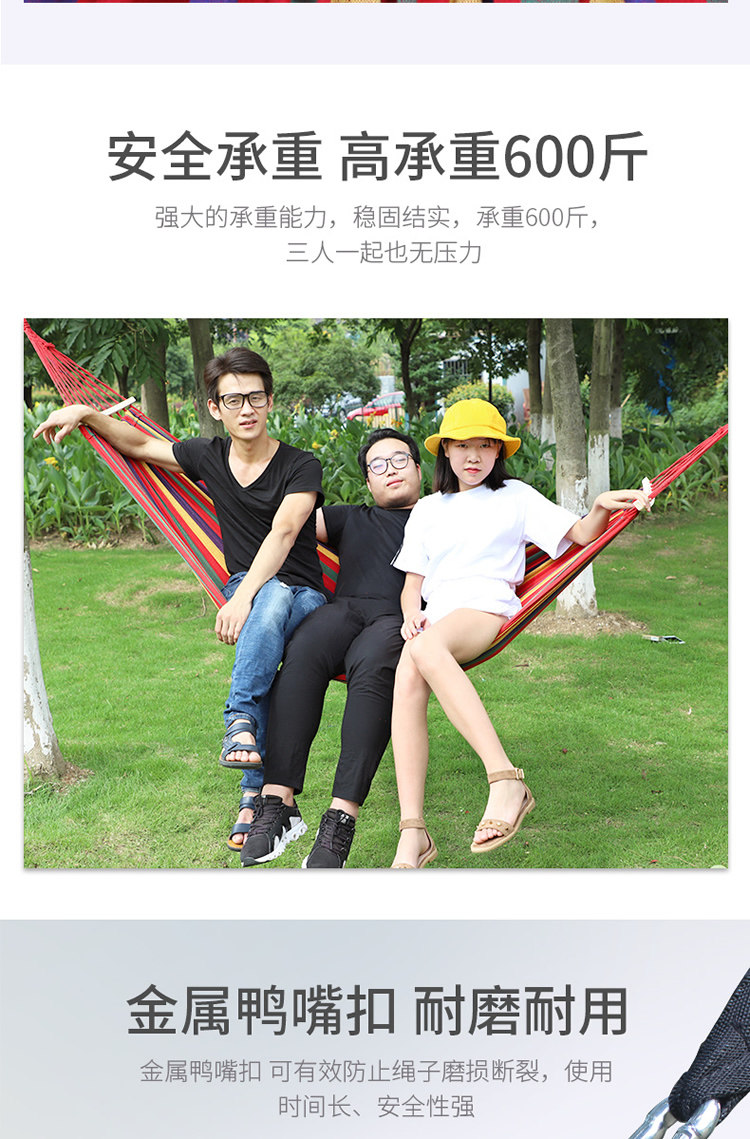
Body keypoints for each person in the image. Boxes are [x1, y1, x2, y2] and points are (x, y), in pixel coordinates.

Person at [34, 348, 327, 837]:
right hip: (250, 589)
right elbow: (139, 445)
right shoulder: (208, 456)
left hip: (306, 594)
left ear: (270, 401)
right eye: (233, 400)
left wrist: (241, 599)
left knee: (274, 596)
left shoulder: (301, 464)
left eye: (255, 397)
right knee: (271, 650)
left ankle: (238, 723)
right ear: (215, 408)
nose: (247, 409)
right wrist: (86, 412)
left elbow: (284, 532)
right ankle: (253, 788)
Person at [388, 399, 652, 869]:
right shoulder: (427, 509)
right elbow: (413, 584)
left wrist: (599, 506)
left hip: (485, 607)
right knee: (407, 670)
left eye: (485, 445)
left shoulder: (515, 496)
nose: (473, 456)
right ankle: (413, 832)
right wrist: (411, 614)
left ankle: (505, 778)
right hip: (436, 619)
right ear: (445, 450)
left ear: (499, 451)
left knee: (421, 651)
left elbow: (581, 534)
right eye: (462, 445)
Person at [235, 427, 422, 869]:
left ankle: (340, 818)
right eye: (378, 465)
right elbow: (287, 521)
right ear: (368, 482)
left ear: (419, 468)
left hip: (397, 619)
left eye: (400, 460)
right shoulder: (349, 517)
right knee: (301, 654)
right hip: (343, 610)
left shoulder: (440, 516)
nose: (390, 470)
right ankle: (278, 803)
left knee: (373, 672)